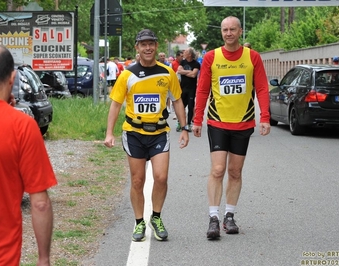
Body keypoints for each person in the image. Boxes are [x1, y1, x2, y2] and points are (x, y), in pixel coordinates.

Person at [104, 29, 189, 242]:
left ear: (156, 46)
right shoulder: (127, 74)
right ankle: (139, 222)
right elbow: (115, 105)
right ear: (137, 48)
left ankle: (156, 217)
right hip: (134, 133)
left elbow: (177, 100)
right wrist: (109, 133)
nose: (148, 48)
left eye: (151, 43)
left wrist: (184, 127)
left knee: (161, 177)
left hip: (159, 133)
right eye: (143, 44)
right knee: (137, 180)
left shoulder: (167, 72)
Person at [192, 16, 271, 240]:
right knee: (218, 170)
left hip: (243, 122)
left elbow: (263, 88)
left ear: (240, 31)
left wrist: (265, 117)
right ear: (221, 32)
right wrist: (197, 120)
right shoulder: (211, 57)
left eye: (232, 29)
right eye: (225, 30)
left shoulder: (252, 57)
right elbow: (202, 90)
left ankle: (229, 215)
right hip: (217, 122)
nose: (228, 33)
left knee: (235, 172)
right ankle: (213, 218)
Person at [0, 44, 57, 265]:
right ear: (12, 78)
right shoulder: (22, 126)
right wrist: (43, 259)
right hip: (0, 252)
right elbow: (40, 203)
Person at [176, 47, 200, 132]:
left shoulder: (196, 64)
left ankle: (189, 124)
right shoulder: (182, 62)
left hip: (191, 89)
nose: (183, 53)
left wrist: (184, 72)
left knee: (190, 106)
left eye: (185, 52)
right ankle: (180, 123)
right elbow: (179, 71)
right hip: (182, 88)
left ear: (189, 54)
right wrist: (189, 72)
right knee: (181, 106)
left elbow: (194, 75)